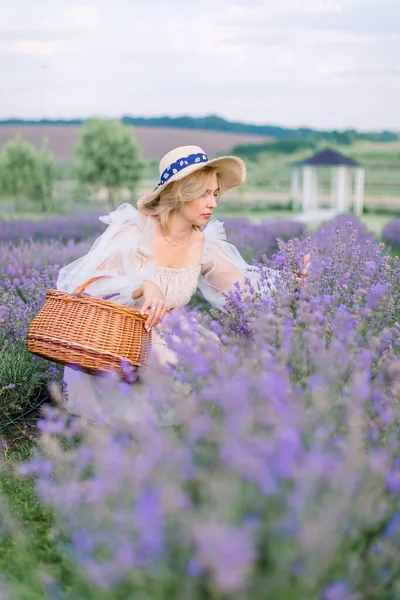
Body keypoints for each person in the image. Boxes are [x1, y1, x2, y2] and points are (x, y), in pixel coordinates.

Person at [57, 145, 309, 420]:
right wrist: (143, 285)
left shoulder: (203, 245)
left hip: (171, 335)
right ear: (180, 193)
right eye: (203, 194)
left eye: (215, 194)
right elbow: (93, 286)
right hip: (119, 341)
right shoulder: (134, 230)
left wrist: (291, 282)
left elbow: (244, 290)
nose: (212, 203)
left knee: (211, 366)